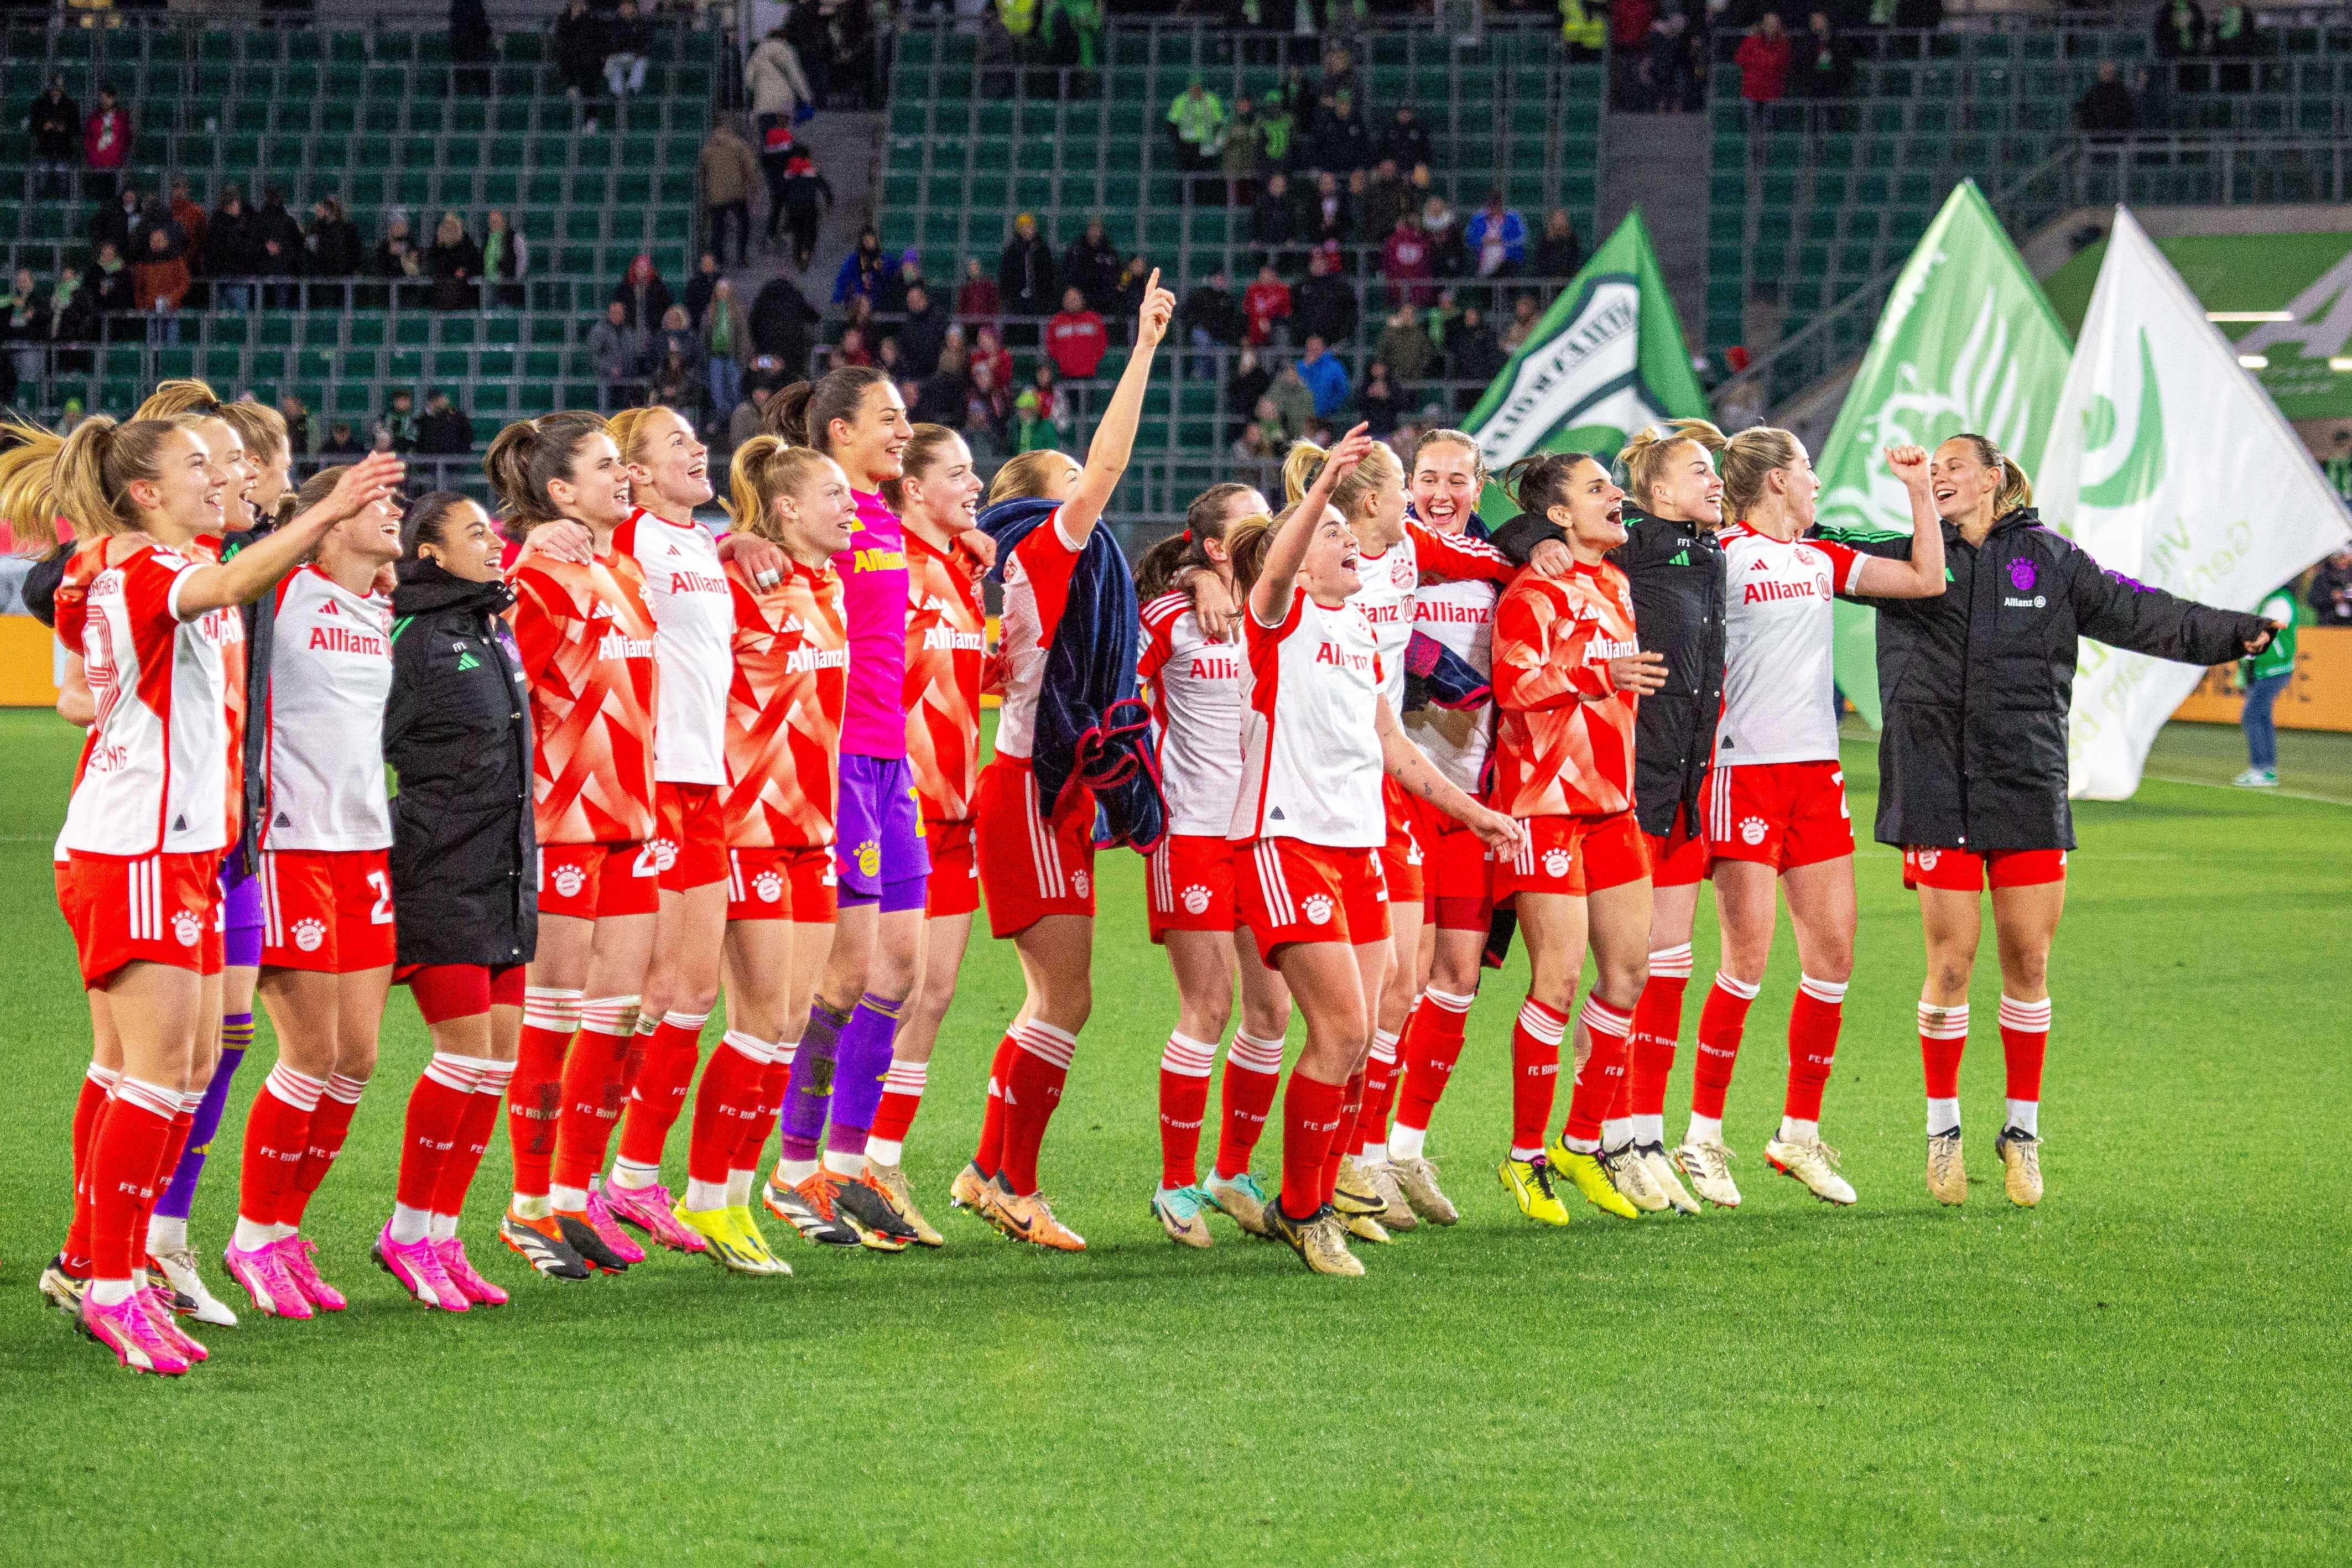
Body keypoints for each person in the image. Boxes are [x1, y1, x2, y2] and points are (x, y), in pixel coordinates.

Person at [6, 412, 395, 1373]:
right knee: (159, 1074)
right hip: (136, 847)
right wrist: (325, 512)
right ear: (146, 492)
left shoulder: (145, 561)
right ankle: (112, 1283)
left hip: (171, 846)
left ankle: (104, 1265)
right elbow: (223, 583)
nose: (222, 479)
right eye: (200, 466)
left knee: (152, 1072)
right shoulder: (148, 571)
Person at [1832, 435, 2277, 1208]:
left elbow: (2145, 612)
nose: (1938, 476)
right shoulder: (1897, 560)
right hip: (1936, 786)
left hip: (2026, 783)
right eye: (1929, 468)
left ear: (1993, 479)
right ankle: (1944, 1131)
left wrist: (2227, 631)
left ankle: (2022, 1132)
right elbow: (1796, 538)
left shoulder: (2054, 560)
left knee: (2029, 963)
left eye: (1952, 466)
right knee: (1951, 963)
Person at [1227, 429, 1522, 1275]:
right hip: (1288, 841)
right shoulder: (1277, 618)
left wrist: (1474, 813)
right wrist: (1320, 492)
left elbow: (1394, 745)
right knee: (1344, 1027)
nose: (1348, 542)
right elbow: (1279, 565)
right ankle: (1305, 1204)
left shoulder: (1360, 629)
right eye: (1331, 535)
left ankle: (1321, 1194)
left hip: (1361, 845)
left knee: (1362, 1033)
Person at [951, 272, 1179, 1251]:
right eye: (1070, 487)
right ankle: (1017, 1183)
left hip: (1038, 789)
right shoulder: (1045, 546)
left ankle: (982, 1172)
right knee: (1065, 996)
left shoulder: (1017, 563)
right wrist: (1141, 351)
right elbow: (1109, 464)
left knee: (1053, 995)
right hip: (1033, 792)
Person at [1679, 430, 1945, 1211]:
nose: (1817, 479)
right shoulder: (1720, 556)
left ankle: (1797, 1135)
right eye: (1806, 468)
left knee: (1832, 959)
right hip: (1741, 772)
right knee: (1746, 961)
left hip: (1815, 775)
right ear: (1773, 481)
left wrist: (1920, 490)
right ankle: (1701, 1137)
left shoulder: (1823, 560)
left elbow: (1928, 578)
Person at [217, 464, 405, 1319]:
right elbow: (236, 564)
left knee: (358, 1059)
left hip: (365, 848)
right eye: (376, 504)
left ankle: (285, 1228)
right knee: (311, 1053)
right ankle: (254, 1232)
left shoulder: (379, 607)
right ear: (329, 524)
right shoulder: (282, 591)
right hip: (292, 845)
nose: (395, 512)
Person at [749, 367, 930, 1250]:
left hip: (892, 764)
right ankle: (792, 1170)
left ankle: (849, 1166)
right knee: (845, 977)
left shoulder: (887, 520)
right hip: (838, 761)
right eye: (890, 418)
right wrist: (730, 547)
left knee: (902, 968)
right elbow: (738, 569)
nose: (906, 430)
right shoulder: (812, 524)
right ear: (839, 433)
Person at [674, 437, 857, 1273]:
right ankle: (707, 1195)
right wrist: (727, 539)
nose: (850, 507)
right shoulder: (741, 574)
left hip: (812, 829)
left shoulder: (828, 584)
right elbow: (667, 581)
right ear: (784, 509)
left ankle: (735, 1195)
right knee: (754, 1024)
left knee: (789, 1023)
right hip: (746, 823)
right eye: (834, 494)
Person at [486, 412, 661, 1278]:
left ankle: (570, 1193)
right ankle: (526, 1205)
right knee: (550, 1024)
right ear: (558, 491)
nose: (623, 475)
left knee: (617, 1016)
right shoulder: (538, 575)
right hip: (561, 820)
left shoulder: (620, 564)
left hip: (630, 819)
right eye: (604, 466)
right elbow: (505, 702)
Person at [1487, 451, 1666, 1225]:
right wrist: (1599, 673)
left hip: (1612, 807)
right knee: (1556, 982)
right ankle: (1523, 1156)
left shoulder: (1618, 584)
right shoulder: (1531, 592)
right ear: (1557, 516)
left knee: (1628, 977)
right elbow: (1513, 686)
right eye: (1598, 489)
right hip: (1543, 807)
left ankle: (1582, 1140)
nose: (1616, 496)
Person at [377, 493, 535, 1306]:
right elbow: (365, 744)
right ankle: (408, 1230)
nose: (494, 542)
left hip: (504, 873)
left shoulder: (489, 627)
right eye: (475, 532)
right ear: (430, 553)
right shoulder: (411, 634)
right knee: (463, 1058)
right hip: (439, 870)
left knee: (495, 1065)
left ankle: (442, 1232)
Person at [1130, 483, 1295, 1244]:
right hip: (1190, 832)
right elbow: (1115, 688)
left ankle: (1231, 1171)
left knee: (1273, 1012)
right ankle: (1174, 1184)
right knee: (1209, 1008)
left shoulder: (1278, 611)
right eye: (1254, 525)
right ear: (1219, 548)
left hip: (1261, 833)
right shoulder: (1168, 617)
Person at [870, 426, 994, 1242]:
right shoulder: (886, 563)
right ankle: (824, 1163)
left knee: (935, 993)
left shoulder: (964, 569)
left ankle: (878, 1159)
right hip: (896, 807)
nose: (974, 484)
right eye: (956, 473)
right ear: (913, 487)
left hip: (957, 808)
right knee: (872, 993)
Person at [2234, 581, 2299, 788]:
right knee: (2262, 716)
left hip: (2274, 668)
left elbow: (2265, 630)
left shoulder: (2279, 600)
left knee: (2252, 715)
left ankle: (2261, 768)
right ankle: (2266, 769)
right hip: (2264, 669)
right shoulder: (2270, 599)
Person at [699, 121, 760, 268]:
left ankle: (719, 258)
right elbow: (751, 167)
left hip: (716, 194)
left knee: (717, 227)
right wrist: (754, 186)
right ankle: (741, 256)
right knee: (744, 223)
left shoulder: (707, 149)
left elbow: (703, 171)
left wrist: (706, 188)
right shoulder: (739, 145)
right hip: (736, 191)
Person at [745, 25, 816, 134]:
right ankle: (781, 149)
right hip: (784, 103)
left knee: (767, 136)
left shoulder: (758, 53)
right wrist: (807, 98)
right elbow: (796, 77)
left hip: (763, 104)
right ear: (783, 38)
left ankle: (768, 149)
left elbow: (749, 79)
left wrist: (757, 91)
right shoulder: (787, 51)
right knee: (781, 137)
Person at [997, 212, 1058, 326]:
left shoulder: (1043, 250)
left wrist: (1046, 299)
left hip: (1039, 303)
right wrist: (1012, 299)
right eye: (1024, 227)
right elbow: (1005, 277)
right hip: (1016, 305)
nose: (1027, 230)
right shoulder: (1011, 251)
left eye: (1030, 226)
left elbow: (1050, 276)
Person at [703, 277, 751, 420]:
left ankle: (736, 419)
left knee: (734, 388)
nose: (722, 292)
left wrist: (742, 356)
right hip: (715, 356)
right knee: (717, 390)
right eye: (720, 290)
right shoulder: (709, 311)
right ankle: (722, 419)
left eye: (725, 290)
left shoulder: (738, 311)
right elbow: (704, 335)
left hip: (733, 356)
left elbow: (743, 335)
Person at [1736, 13, 1792, 131]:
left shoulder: (1783, 45)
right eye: (1768, 25)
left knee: (1769, 128)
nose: (1771, 28)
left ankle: (1769, 147)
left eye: (1774, 25)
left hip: (1772, 90)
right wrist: (1758, 64)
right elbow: (1739, 59)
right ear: (1763, 26)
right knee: (1748, 128)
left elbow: (1785, 65)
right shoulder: (1751, 41)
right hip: (1751, 89)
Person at [590, 300, 647, 414]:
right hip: (605, 377)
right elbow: (594, 356)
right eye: (614, 312)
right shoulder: (599, 331)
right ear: (609, 314)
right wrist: (610, 368)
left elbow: (633, 355)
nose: (617, 316)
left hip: (626, 377)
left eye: (620, 313)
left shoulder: (629, 332)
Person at [1062, 217, 1123, 314]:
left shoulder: (1109, 252)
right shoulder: (1076, 250)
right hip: (1080, 303)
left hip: (1103, 304)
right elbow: (1068, 275)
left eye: (1097, 229)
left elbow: (1114, 277)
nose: (1094, 232)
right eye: (1092, 228)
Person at [30, 75, 79, 198]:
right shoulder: (40, 105)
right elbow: (33, 127)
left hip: (64, 149)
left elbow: (77, 128)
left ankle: (62, 199)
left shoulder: (70, 105)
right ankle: (40, 199)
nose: (55, 91)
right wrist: (43, 127)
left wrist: (66, 128)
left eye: (58, 88)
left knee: (62, 172)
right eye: (53, 88)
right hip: (45, 148)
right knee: (42, 171)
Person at [1045, 286, 1108, 379]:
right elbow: (1051, 344)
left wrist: (1092, 361)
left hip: (1089, 373)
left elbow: (1102, 343)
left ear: (1082, 300)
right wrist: (1062, 361)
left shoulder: (1093, 319)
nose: (1072, 302)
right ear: (1064, 301)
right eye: (1069, 299)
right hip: (1065, 374)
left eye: (1075, 299)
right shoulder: (1057, 321)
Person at [425, 212, 482, 311]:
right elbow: (431, 265)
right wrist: (439, 246)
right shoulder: (437, 244)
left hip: (462, 288)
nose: (450, 228)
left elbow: (475, 264)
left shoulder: (466, 242)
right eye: (447, 225)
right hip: (442, 285)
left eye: (453, 225)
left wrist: (464, 271)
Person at [83, 86, 131, 202]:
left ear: (114, 99)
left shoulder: (122, 118)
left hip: (115, 164)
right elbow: (88, 139)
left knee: (113, 199)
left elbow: (127, 138)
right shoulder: (94, 118)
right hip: (97, 164)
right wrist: (92, 156)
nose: (104, 101)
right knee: (98, 198)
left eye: (107, 98)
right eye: (102, 98)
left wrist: (119, 154)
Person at [602, 0, 653, 101]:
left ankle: (632, 89)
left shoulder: (641, 24)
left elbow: (647, 42)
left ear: (634, 8)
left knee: (641, 62)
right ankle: (616, 92)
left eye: (628, 6)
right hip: (620, 56)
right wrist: (614, 54)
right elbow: (610, 43)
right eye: (623, 6)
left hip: (636, 56)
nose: (625, 8)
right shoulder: (614, 24)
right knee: (613, 63)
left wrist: (638, 53)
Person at [613, 253, 673, 330]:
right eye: (639, 267)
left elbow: (665, 307)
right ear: (634, 269)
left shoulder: (659, 287)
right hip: (629, 328)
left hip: (654, 329)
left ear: (650, 269)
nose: (642, 269)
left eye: (645, 267)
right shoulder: (625, 287)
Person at [1297, 336, 1351, 420]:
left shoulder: (1335, 367)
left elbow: (1343, 391)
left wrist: (1331, 408)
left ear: (1323, 349)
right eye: (1310, 348)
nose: (1313, 352)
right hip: (1300, 416)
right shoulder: (1299, 367)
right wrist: (1308, 368)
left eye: (1316, 349)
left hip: (1326, 417)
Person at [2075, 60, 2137, 133]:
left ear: (2114, 74)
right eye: (2105, 73)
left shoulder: (2121, 92)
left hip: (2118, 136)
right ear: (2100, 74)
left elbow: (2127, 114)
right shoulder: (2093, 92)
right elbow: (2087, 114)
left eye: (2110, 72)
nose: (2108, 75)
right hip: (2097, 136)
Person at [415, 392, 474, 457]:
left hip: (454, 458)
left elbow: (467, 435)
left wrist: (461, 452)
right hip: (430, 459)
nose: (440, 402)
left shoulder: (458, 417)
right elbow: (421, 440)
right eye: (435, 400)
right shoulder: (425, 419)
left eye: (440, 399)